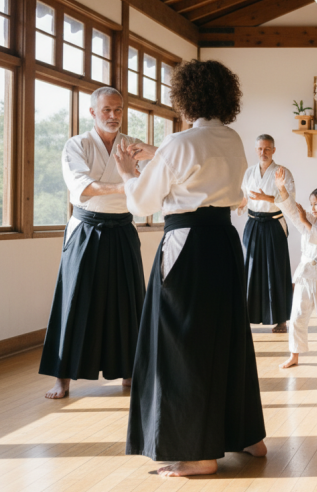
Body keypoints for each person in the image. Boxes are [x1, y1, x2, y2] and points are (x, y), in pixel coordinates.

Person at [115, 60, 267, 477]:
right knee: (228, 335)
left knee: (183, 344)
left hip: (186, 246)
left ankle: (199, 453)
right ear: (225, 97)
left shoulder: (180, 143)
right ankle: (249, 436)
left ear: (185, 98)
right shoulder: (233, 138)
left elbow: (142, 203)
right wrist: (158, 154)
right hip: (223, 241)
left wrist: (131, 172)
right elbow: (198, 164)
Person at [38, 87, 146, 400]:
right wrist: (128, 184)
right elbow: (85, 187)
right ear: (93, 112)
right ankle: (63, 378)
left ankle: (130, 371)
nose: (113, 116)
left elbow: (155, 173)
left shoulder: (130, 145)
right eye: (107, 110)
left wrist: (139, 174)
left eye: (118, 110)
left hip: (123, 226)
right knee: (75, 299)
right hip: (86, 228)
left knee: (128, 299)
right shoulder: (77, 145)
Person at [275, 168, 317, 371]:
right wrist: (282, 190)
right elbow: (292, 211)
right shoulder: (309, 220)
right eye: (311, 204)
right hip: (305, 273)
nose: (312, 208)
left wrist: (305, 220)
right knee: (297, 315)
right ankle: (294, 355)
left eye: (316, 204)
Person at [238, 134, 295, 333]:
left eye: (267, 149)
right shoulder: (249, 172)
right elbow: (245, 198)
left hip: (273, 224)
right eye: (260, 149)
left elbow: (289, 200)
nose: (263, 152)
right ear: (256, 150)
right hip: (253, 223)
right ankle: (247, 316)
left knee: (276, 269)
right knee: (250, 268)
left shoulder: (283, 172)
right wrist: (234, 204)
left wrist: (266, 197)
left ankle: (281, 319)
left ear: (274, 150)